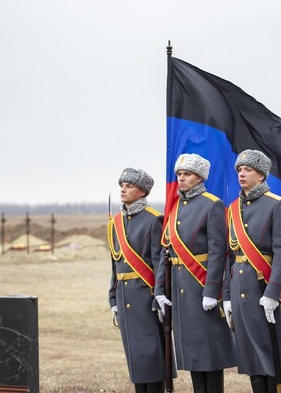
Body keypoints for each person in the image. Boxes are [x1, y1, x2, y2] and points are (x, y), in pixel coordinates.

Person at [156, 153, 236, 393]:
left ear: (199, 178)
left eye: (187, 174)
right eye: (179, 174)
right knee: (191, 353)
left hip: (200, 287)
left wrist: (212, 290)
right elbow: (166, 252)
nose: (181, 178)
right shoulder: (174, 206)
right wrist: (160, 290)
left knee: (209, 354)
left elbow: (218, 252)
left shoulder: (213, 204)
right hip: (180, 290)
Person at [223, 149, 281, 393]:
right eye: (239, 170)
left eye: (248, 170)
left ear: (261, 175)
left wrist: (272, 293)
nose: (242, 174)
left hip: (262, 287)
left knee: (271, 353)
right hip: (239, 290)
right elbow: (230, 256)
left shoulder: (277, 205)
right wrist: (226, 295)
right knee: (250, 356)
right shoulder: (233, 208)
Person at [108, 167, 169, 393]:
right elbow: (115, 263)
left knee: (151, 354)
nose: (123, 190)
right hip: (125, 296)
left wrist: (159, 296)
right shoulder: (116, 223)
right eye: (121, 186)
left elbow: (159, 262)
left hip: (146, 296)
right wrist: (113, 297)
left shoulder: (154, 220)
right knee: (134, 354)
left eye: (129, 186)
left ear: (142, 192)